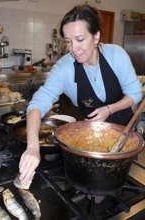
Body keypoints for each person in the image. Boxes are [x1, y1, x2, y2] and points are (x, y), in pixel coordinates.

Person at [19, 4, 142, 181]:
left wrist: (109, 109)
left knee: (121, 179)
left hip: (124, 133)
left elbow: (135, 93)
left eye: (80, 39)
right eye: (68, 41)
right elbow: (38, 103)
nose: (73, 48)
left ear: (96, 36)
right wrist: (32, 147)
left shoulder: (116, 55)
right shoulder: (64, 68)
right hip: (90, 138)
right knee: (95, 187)